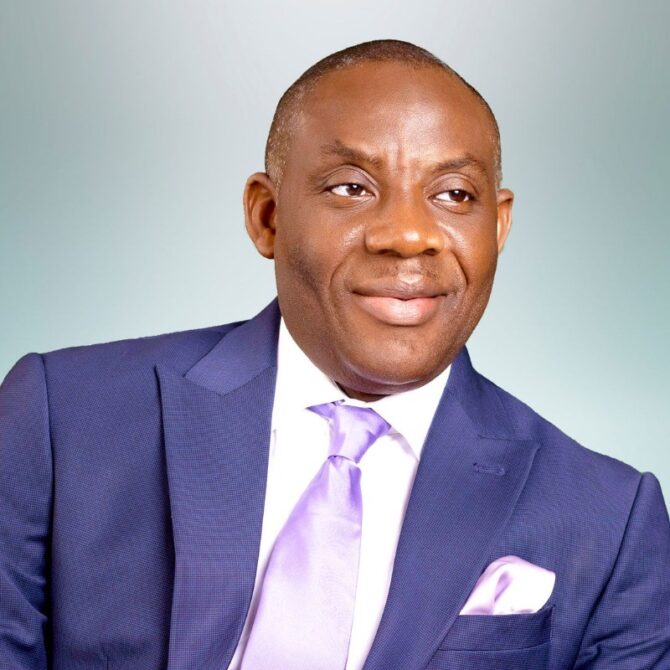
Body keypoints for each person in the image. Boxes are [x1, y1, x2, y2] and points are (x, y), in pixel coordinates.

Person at [0, 39, 668, 670]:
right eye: (351, 187)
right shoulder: (61, 419)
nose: (408, 235)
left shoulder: (610, 519)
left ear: (497, 226)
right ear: (267, 216)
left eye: (454, 194)